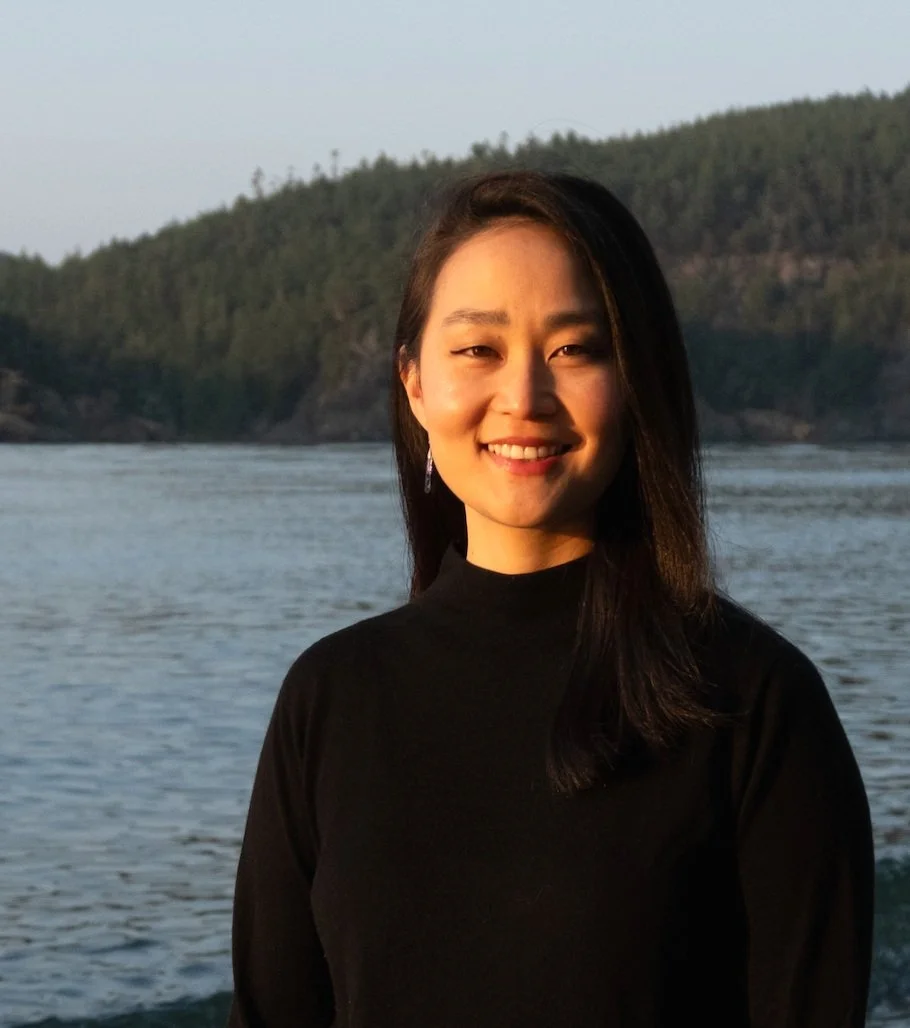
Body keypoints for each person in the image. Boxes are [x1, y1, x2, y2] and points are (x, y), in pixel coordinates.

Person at [226, 170, 875, 1027]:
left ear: (636, 378)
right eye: (478, 350)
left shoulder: (752, 703)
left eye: (574, 349)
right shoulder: (332, 697)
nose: (524, 398)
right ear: (414, 383)